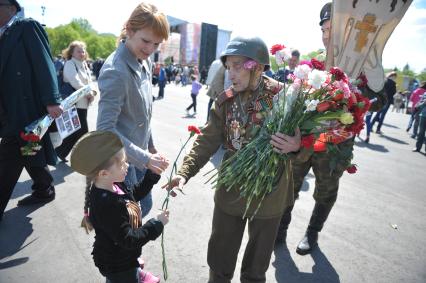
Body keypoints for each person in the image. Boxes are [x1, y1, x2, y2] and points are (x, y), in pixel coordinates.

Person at [164, 36, 302, 283]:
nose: (231, 74)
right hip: (232, 191)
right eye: (228, 67)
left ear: (257, 67)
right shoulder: (225, 101)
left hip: (270, 193)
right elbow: (207, 139)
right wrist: (184, 171)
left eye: (237, 66)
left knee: (256, 270)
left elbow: (311, 143)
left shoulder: (284, 97)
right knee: (220, 261)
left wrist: (297, 146)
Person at [275, 2, 357, 255]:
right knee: (290, 185)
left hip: (334, 147)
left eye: (333, 29)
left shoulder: (360, 64)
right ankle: (280, 231)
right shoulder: (316, 65)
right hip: (303, 143)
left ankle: (312, 233)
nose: (327, 35)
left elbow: (380, 100)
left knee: (325, 191)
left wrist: (360, 93)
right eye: (324, 30)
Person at [97, 2, 170, 218]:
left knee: (137, 208)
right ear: (129, 30)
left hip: (138, 154)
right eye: (146, 41)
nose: (150, 49)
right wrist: (146, 158)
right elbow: (105, 130)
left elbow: (143, 115)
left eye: (156, 44)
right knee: (131, 211)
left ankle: (127, 249)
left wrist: (151, 147)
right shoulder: (116, 70)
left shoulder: (143, 62)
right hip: (120, 159)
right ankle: (122, 250)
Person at [70, 131, 169, 283]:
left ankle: (135, 271)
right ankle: (133, 274)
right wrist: (156, 224)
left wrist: (152, 174)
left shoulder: (114, 185)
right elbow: (129, 239)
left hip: (125, 256)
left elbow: (133, 195)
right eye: (122, 163)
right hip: (118, 265)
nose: (127, 166)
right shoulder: (107, 204)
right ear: (104, 173)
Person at [0, 0, 63, 221]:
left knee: (9, 156)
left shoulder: (26, 27)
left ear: (12, 8)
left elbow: (43, 63)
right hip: (8, 110)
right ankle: (44, 189)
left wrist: (52, 100)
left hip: (25, 109)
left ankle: (43, 189)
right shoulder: (2, 35)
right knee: (29, 151)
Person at [55, 40, 95, 162]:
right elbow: (75, 81)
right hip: (75, 103)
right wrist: (88, 93)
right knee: (83, 132)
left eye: (83, 50)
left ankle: (60, 152)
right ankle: (85, 158)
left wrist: (93, 92)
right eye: (79, 51)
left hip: (83, 103)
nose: (82, 53)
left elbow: (90, 82)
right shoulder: (70, 63)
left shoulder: (84, 64)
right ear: (71, 52)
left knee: (75, 131)